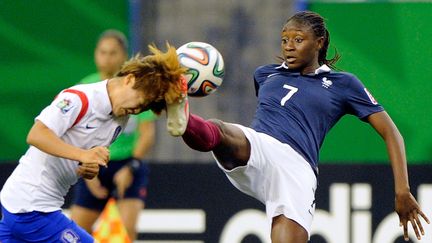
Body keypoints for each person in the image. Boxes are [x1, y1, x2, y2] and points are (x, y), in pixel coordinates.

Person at [164, 11, 430, 243]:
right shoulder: (266, 74)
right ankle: (181, 116)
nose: (289, 46)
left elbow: (391, 132)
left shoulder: (343, 84)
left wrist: (402, 190)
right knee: (218, 130)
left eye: (298, 40)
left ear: (319, 42)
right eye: (285, 40)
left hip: (296, 168)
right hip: (259, 147)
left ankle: (184, 117)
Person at [0, 43, 186, 243]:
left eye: (144, 108)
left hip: (24, 205)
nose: (137, 110)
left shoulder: (120, 120)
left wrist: (87, 168)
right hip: (31, 207)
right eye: (140, 101)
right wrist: (82, 156)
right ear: (130, 79)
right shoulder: (80, 99)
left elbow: (79, 156)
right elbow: (37, 135)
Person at [69, 29, 157, 241]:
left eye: (113, 53)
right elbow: (74, 134)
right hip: (93, 164)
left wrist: (131, 166)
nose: (107, 58)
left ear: (123, 56)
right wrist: (87, 170)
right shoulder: (85, 87)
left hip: (127, 165)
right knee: (75, 233)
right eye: (102, 52)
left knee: (126, 233)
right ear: (95, 55)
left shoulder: (135, 89)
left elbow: (146, 134)